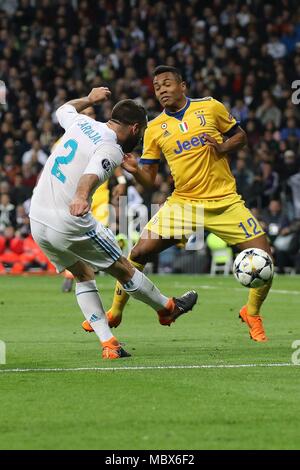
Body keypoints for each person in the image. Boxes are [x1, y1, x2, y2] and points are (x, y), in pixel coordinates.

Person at [83, 66, 273, 342]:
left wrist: (222, 147)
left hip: (225, 201)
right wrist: (136, 171)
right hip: (184, 204)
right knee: (138, 254)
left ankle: (251, 312)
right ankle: (114, 312)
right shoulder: (155, 128)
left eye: (167, 83)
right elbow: (149, 180)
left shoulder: (210, 107)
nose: (161, 89)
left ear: (182, 85)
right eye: (157, 86)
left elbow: (240, 137)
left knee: (265, 259)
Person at [29, 86, 198, 359]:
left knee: (84, 274)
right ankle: (167, 309)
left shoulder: (82, 121)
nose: (140, 138)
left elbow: (63, 109)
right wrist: (81, 197)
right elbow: (92, 173)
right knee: (123, 268)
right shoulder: (111, 148)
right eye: (141, 133)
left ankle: (109, 345)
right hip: (68, 219)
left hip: (37, 219)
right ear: (134, 128)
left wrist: (89, 98)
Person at [61, 105, 127, 293]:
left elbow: (111, 156)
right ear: (80, 116)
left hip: (100, 198)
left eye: (92, 114)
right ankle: (75, 273)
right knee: (77, 237)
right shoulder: (69, 137)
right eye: (86, 114)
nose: (90, 116)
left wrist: (121, 180)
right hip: (78, 198)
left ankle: (93, 272)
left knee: (97, 237)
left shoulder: (102, 134)